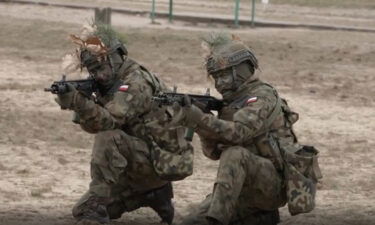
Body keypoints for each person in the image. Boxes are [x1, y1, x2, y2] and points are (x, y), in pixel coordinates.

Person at [171, 34, 322, 225]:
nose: (220, 83)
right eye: (216, 77)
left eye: (225, 74)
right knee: (191, 222)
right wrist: (201, 124)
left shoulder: (262, 96)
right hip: (242, 188)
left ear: (242, 69)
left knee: (235, 154)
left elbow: (238, 133)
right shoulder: (230, 103)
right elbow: (214, 153)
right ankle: (260, 217)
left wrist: (200, 118)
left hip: (272, 186)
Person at [54, 24, 194, 225]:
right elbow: (93, 125)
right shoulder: (110, 84)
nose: (99, 75)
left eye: (101, 67)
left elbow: (109, 122)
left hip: (158, 162)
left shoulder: (136, 82)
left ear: (116, 57)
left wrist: (79, 102)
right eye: (94, 71)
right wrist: (80, 102)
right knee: (81, 210)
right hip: (139, 162)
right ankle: (154, 194)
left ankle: (145, 191)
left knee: (108, 139)